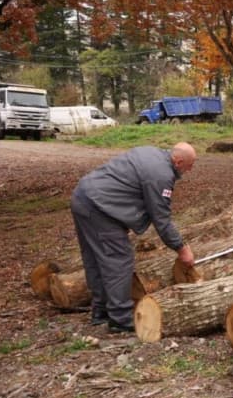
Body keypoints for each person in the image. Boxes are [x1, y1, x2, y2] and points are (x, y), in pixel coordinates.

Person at [70, 142, 196, 333]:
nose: (191, 169)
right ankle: (120, 318)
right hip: (99, 207)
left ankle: (101, 311)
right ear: (178, 161)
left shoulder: (153, 153)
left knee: (96, 259)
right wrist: (182, 249)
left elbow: (127, 188)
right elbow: (161, 219)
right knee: (119, 260)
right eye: (190, 165)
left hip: (83, 197)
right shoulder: (161, 175)